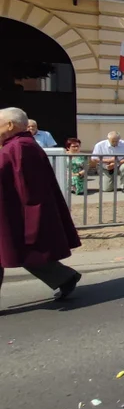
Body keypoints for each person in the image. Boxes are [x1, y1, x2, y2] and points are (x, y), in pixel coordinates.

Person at [0, 107, 81, 300]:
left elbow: (27, 186)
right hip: (9, 208)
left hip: (16, 211)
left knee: (22, 250)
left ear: (10, 125)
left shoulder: (20, 147)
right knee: (20, 252)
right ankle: (64, 277)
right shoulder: (17, 145)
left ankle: (65, 277)